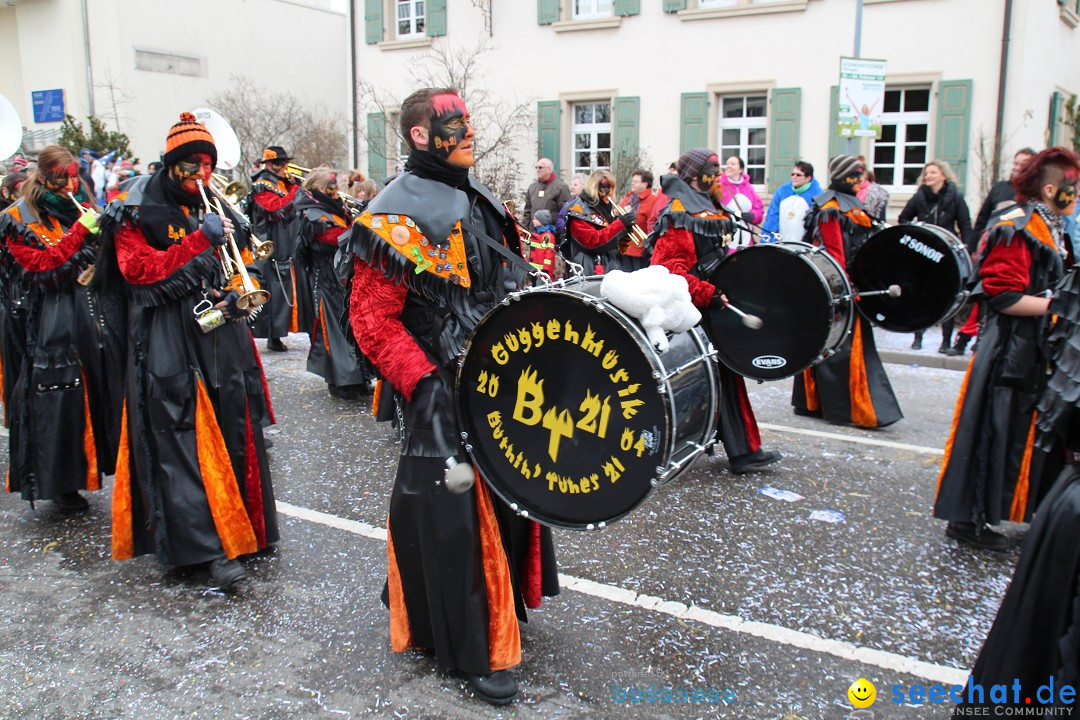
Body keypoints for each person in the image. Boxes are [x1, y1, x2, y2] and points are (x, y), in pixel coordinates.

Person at [341, 87, 558, 706]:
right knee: (454, 513)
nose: (468, 132)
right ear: (418, 136)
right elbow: (372, 322)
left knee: (510, 494)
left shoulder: (477, 196)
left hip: (500, 377)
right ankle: (473, 645)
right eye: (454, 124)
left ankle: (498, 607)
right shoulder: (391, 212)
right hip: (441, 382)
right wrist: (425, 381)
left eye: (467, 122)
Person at [96, 112, 279, 587]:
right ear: (172, 164)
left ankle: (244, 529)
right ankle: (204, 547)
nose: (202, 175)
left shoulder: (212, 201)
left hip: (217, 332)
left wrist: (238, 290)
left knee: (233, 423)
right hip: (167, 338)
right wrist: (199, 243)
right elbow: (139, 272)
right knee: (182, 438)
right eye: (192, 165)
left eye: (208, 165)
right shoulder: (133, 208)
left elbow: (233, 265)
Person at [934, 147, 1080, 550]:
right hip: (1008, 348)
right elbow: (1000, 294)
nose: (1077, 193)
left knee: (1026, 432)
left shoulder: (1050, 225)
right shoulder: (1018, 226)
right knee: (992, 429)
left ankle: (1037, 511)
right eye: (1073, 187)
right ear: (1051, 188)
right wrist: (1061, 307)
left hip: (1035, 347)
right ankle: (968, 522)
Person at [650, 147, 782, 474]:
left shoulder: (707, 204)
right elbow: (669, 269)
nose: (717, 173)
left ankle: (743, 449)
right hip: (694, 311)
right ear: (695, 174)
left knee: (726, 376)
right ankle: (739, 450)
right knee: (705, 380)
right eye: (712, 168)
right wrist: (708, 292)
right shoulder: (679, 210)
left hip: (712, 304)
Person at [0, 146, 111, 512]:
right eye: (63, 176)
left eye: (75, 175)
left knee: (92, 392)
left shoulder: (74, 207)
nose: (71, 184)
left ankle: (92, 468)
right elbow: (41, 268)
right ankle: (59, 483)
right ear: (46, 175)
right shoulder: (19, 217)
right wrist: (80, 233)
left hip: (82, 312)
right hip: (43, 321)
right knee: (54, 398)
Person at [792, 155, 903, 428]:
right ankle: (846, 408)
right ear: (843, 176)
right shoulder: (831, 208)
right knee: (839, 349)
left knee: (836, 347)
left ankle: (824, 404)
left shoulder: (853, 206)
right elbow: (833, 254)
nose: (860, 179)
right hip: (840, 290)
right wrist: (846, 288)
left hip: (853, 286)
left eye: (861, 173)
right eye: (854, 174)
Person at [945, 149, 1039, 358]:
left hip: (1017, 253)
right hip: (992, 247)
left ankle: (975, 339)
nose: (1017, 168)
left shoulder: (1036, 196)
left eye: (1023, 164)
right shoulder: (1000, 189)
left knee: (993, 298)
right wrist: (975, 245)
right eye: (1015, 163)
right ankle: (966, 339)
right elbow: (982, 219)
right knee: (982, 294)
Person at [294, 168, 372, 400]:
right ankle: (341, 381)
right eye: (331, 186)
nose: (337, 191)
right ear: (319, 189)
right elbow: (336, 238)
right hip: (327, 281)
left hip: (342, 279)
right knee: (335, 332)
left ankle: (358, 378)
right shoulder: (314, 215)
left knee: (352, 327)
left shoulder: (331, 209)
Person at [900, 160, 973, 353]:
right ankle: (918, 336)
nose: (928, 176)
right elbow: (903, 218)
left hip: (947, 252)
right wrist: (917, 231)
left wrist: (966, 249)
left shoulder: (955, 197)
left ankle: (946, 340)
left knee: (947, 294)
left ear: (943, 175)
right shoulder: (919, 197)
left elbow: (965, 224)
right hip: (923, 250)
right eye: (926, 173)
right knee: (921, 294)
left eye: (933, 172)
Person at [248, 146, 304, 352]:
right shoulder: (261, 185)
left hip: (287, 245)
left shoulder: (283, 182)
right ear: (271, 165)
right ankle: (273, 335)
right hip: (271, 246)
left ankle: (279, 333)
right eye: (282, 163)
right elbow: (275, 210)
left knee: (284, 290)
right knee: (273, 290)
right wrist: (295, 192)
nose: (286, 167)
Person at [564, 169, 640, 275]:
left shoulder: (604, 210)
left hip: (609, 267)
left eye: (611, 187)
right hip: (588, 270)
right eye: (605, 187)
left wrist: (625, 233)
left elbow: (616, 248)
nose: (610, 192)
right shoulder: (579, 210)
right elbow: (592, 242)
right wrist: (620, 224)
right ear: (594, 188)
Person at [762, 161, 822, 240]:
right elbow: (772, 218)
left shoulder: (817, 196)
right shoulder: (782, 192)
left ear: (808, 178)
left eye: (798, 175)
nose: (794, 177)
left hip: (805, 245)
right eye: (793, 174)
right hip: (782, 244)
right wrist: (768, 239)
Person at [616, 169, 657, 270]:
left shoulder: (652, 201)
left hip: (641, 251)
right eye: (632, 181)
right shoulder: (630, 198)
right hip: (625, 247)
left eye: (636, 181)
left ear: (645, 184)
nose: (632, 183)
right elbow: (618, 213)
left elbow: (652, 226)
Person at [717, 155, 764, 234]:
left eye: (732, 164)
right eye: (727, 164)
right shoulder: (719, 186)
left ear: (740, 169)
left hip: (746, 236)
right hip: (727, 234)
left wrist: (752, 216)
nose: (728, 166)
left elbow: (758, 209)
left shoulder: (748, 188)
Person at [522, 157, 569, 229]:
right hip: (533, 233)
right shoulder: (532, 187)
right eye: (536, 167)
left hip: (551, 233)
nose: (537, 170)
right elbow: (527, 212)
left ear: (549, 169)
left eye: (540, 167)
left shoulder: (561, 187)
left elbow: (564, 213)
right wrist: (524, 229)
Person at [555, 172, 586, 238]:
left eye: (575, 185)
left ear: (584, 186)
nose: (572, 187)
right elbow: (560, 217)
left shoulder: (587, 204)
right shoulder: (569, 203)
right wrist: (565, 227)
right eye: (571, 185)